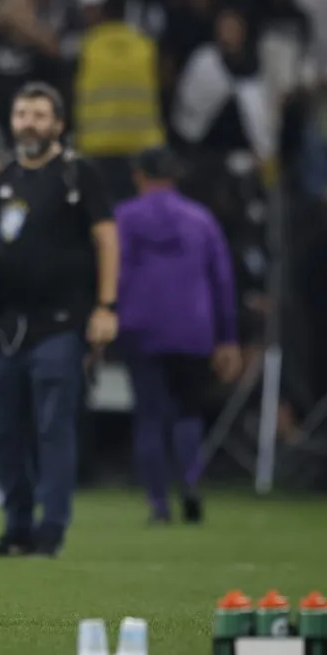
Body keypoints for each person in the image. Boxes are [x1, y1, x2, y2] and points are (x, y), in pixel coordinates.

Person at [0, 82, 119, 558]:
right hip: (3, 324)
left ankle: (49, 530)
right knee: (2, 428)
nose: (28, 123)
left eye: (38, 115)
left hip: (60, 322)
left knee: (54, 427)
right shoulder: (1, 178)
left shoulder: (78, 175)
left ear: (58, 124)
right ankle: (15, 527)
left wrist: (106, 306)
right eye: (21, 114)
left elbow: (108, 240)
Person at [114, 146, 242, 524]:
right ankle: (189, 482)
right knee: (187, 413)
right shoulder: (200, 220)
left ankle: (158, 503)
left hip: (142, 329)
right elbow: (222, 280)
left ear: (139, 176)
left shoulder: (125, 218)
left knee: (150, 416)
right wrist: (228, 336)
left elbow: (114, 274)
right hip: (193, 328)